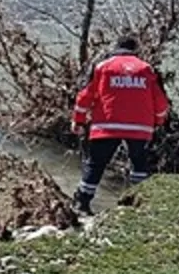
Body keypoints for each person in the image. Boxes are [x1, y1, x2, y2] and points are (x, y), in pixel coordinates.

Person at [72, 35, 169, 214]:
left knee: (95, 164)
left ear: (115, 49)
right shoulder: (147, 69)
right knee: (139, 166)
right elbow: (161, 102)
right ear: (136, 50)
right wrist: (158, 121)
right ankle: (138, 204)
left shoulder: (102, 67)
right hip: (140, 128)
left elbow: (84, 96)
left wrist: (78, 120)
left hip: (106, 126)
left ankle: (82, 204)